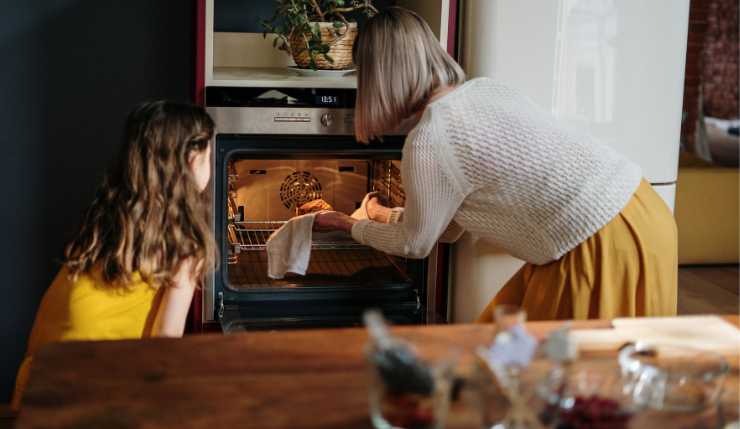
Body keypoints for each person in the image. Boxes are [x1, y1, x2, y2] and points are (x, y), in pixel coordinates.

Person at [314, 7, 677, 322]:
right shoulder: (487, 90)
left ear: (378, 77)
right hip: (642, 212)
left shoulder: (429, 138)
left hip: (597, 245)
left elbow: (416, 245)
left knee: (570, 378)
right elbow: (447, 226)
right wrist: (378, 214)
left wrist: (346, 225)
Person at [11, 100, 217, 410]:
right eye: (210, 155)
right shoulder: (185, 243)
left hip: (42, 378)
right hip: (103, 386)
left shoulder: (107, 213)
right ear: (191, 159)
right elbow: (166, 338)